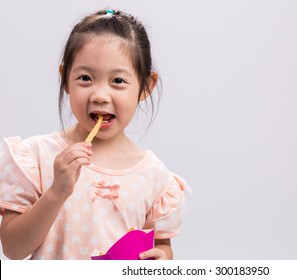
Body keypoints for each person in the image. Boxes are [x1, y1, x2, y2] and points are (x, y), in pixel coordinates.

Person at [0, 8, 187, 260]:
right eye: (85, 78)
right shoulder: (35, 157)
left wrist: (163, 259)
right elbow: (13, 249)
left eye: (118, 81)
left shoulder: (154, 175)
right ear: (65, 79)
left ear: (146, 86)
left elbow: (162, 246)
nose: (99, 95)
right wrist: (56, 192)